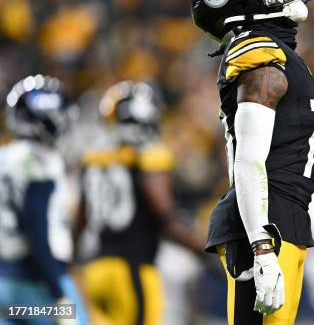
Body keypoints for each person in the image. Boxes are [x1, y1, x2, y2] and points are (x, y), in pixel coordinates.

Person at [191, 0, 314, 324]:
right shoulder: (259, 55)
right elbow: (249, 163)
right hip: (263, 231)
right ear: (241, 0)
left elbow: (294, 173)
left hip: (282, 226)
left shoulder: (282, 57)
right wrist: (261, 249)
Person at [75, 81, 205, 325]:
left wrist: (72, 268)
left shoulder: (92, 160)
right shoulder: (149, 157)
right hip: (132, 272)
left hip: (93, 272)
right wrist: (208, 251)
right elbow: (167, 219)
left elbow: (78, 224)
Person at [0, 75, 89, 324]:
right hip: (35, 285)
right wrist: (59, 296)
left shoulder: (5, 157)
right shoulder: (39, 160)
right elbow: (36, 229)